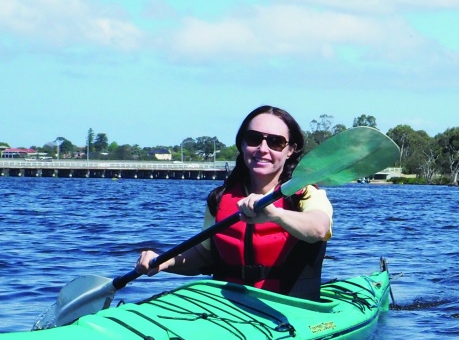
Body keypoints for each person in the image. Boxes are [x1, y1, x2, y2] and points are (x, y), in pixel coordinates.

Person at [135, 105, 333, 300]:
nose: (263, 149)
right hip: (230, 310)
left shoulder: (307, 194)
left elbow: (318, 229)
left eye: (275, 142)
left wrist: (276, 215)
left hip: (293, 310)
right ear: (243, 144)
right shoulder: (220, 199)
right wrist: (163, 262)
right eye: (254, 139)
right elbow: (204, 256)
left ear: (290, 150)